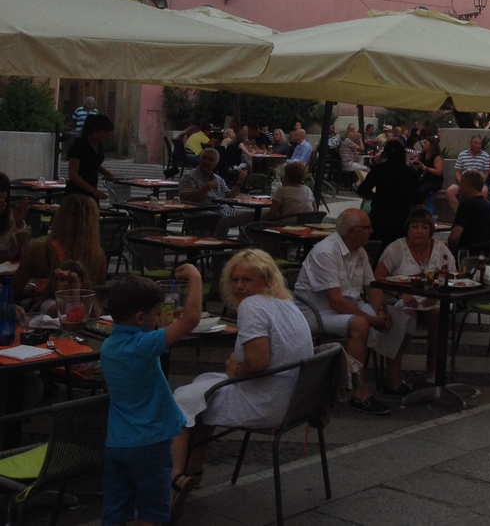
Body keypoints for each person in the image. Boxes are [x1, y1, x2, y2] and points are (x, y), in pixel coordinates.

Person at [170, 249, 314, 498]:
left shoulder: (252, 306)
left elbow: (258, 362)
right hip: (294, 400)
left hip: (265, 403)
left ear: (266, 280)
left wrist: (236, 369)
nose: (238, 286)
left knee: (180, 400)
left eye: (247, 280)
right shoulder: (287, 304)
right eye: (235, 280)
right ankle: (194, 472)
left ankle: (173, 480)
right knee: (200, 388)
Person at [100, 265, 203, 526]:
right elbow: (191, 320)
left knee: (116, 511)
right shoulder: (143, 345)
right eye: (156, 314)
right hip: (150, 443)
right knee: (153, 512)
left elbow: (163, 326)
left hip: (116, 443)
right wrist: (195, 277)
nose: (159, 319)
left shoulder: (109, 346)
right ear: (139, 318)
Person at [292, 209, 394, 415]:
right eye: (367, 228)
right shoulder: (326, 252)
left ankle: (394, 378)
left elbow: (371, 286)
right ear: (351, 231)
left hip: (347, 305)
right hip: (316, 312)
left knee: (399, 315)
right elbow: (335, 301)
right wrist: (371, 319)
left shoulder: (360, 251)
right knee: (361, 324)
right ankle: (358, 391)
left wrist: (380, 311)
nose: (371, 231)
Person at [369, 209, 455, 396]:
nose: (419, 231)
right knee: (406, 316)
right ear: (407, 229)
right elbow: (377, 280)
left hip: (432, 301)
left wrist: (437, 292)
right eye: (414, 226)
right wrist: (400, 294)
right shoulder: (396, 248)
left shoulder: (441, 250)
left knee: (440, 318)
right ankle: (394, 376)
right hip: (401, 298)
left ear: (431, 230)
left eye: (424, 227)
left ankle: (433, 373)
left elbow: (451, 277)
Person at [13, 194, 107, 300]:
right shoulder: (98, 255)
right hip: (85, 311)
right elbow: (99, 294)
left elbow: (14, 290)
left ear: (60, 217)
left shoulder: (41, 252)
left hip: (48, 312)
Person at [357, 139, 417, 247]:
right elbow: (417, 197)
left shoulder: (378, 170)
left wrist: (373, 195)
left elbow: (362, 189)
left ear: (385, 154)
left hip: (380, 213)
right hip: (401, 216)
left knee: (377, 246)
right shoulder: (410, 173)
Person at [178, 148, 253, 233]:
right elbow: (185, 199)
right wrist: (206, 188)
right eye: (204, 158)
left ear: (215, 164)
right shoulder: (189, 177)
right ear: (200, 159)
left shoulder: (217, 178)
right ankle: (217, 244)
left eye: (210, 160)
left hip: (224, 210)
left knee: (256, 215)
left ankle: (244, 243)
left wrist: (240, 181)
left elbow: (229, 196)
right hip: (201, 213)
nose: (206, 161)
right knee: (222, 220)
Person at [65, 113, 116, 201]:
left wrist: (106, 173)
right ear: (93, 130)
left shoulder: (98, 144)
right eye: (104, 132)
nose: (107, 136)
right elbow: (73, 174)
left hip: (92, 187)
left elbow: (93, 163)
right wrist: (93, 190)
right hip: (77, 191)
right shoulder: (79, 146)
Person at [449, 170, 490, 255]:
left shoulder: (466, 206)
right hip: (486, 256)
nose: (459, 189)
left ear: (468, 186)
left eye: (461, 184)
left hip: (467, 255)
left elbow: (454, 237)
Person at [446, 135, 490, 213]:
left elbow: (486, 173)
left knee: (484, 191)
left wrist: (479, 183)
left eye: (480, 144)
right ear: (470, 144)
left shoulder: (485, 156)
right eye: (476, 143)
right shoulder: (462, 155)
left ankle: (479, 213)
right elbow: (457, 172)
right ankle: (458, 212)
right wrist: (462, 183)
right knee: (450, 191)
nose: (478, 145)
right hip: (464, 182)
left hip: (478, 183)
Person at [0, 173, 31, 264]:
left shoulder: (11, 216)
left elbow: (25, 254)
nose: (2, 194)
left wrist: (20, 223)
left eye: (4, 190)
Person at [413, 134, 445, 217]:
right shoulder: (422, 155)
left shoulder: (436, 157)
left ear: (431, 145)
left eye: (425, 143)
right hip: (422, 178)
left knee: (422, 191)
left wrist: (425, 168)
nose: (423, 145)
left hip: (433, 180)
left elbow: (438, 172)